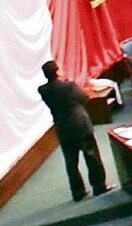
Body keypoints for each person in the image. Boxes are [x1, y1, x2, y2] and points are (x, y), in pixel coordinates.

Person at [38, 61, 112, 201]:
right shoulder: (69, 86)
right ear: (57, 71)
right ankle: (99, 186)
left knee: (71, 162)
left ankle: (78, 192)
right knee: (91, 156)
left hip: (62, 128)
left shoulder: (42, 90)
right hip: (79, 125)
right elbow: (84, 98)